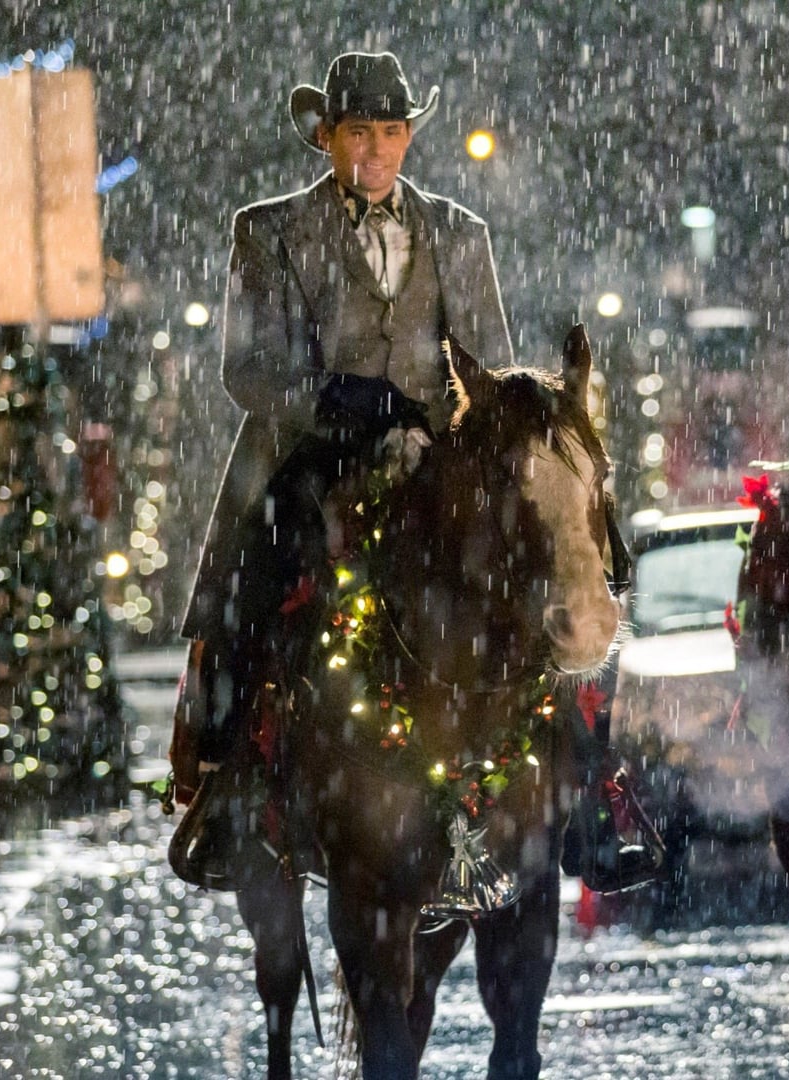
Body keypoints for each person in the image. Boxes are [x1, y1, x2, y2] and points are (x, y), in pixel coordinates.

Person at [171, 51, 651, 891]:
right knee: (253, 592)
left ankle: (592, 801)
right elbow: (246, 371)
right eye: (359, 132)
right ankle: (228, 789)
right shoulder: (268, 230)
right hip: (311, 456)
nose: (376, 149)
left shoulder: (461, 232)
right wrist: (338, 398)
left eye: (391, 131)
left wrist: (440, 426)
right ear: (328, 137)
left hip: (436, 453)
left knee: (547, 577)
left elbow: (488, 370)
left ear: (408, 137)